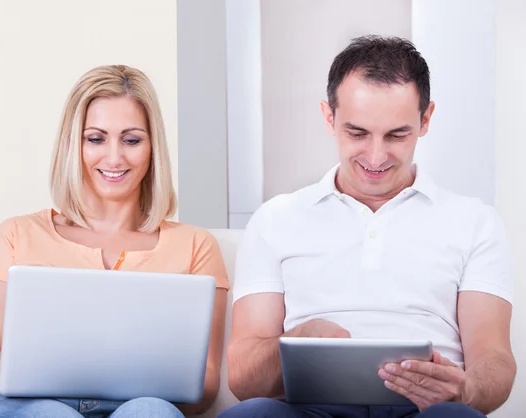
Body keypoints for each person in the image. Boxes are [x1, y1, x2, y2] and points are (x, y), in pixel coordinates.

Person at [220, 35, 515, 418]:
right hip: (305, 410)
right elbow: (243, 380)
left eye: (397, 134)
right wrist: (293, 341)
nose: (376, 157)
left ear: (425, 120)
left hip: (426, 411)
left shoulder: (475, 222)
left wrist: (467, 389)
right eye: (357, 133)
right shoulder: (275, 219)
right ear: (330, 118)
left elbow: (494, 358)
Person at [0, 64, 229, 418]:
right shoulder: (17, 234)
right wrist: (56, 379)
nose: (114, 158)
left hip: (139, 407)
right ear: (73, 144)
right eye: (96, 139)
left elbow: (204, 383)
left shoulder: (196, 246)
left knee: (150, 412)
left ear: (152, 148)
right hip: (30, 406)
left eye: (131, 140)